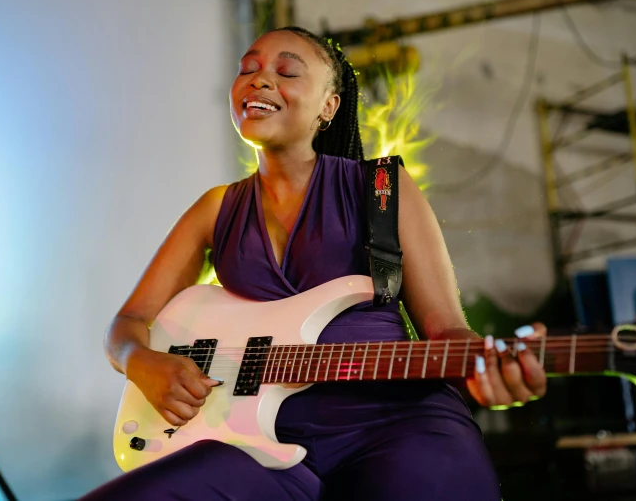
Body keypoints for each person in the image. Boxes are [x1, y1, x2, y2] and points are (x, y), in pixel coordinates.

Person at [81, 26, 547, 501]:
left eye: (285, 71)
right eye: (248, 69)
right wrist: (142, 363)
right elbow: (127, 324)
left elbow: (445, 328)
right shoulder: (215, 209)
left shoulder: (384, 187)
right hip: (254, 444)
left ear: (329, 106)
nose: (260, 80)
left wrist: (486, 367)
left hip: (397, 425)